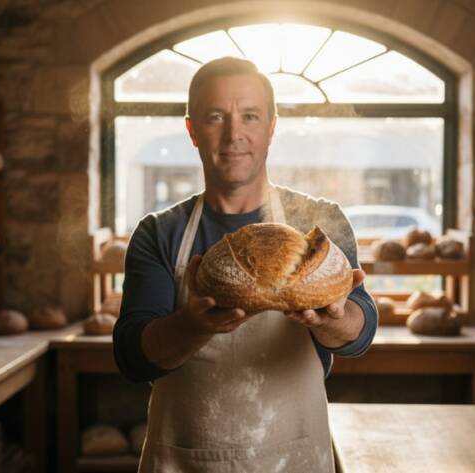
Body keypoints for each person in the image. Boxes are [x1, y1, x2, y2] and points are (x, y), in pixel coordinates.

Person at [114, 56, 378, 473]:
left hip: (294, 457)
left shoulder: (319, 227)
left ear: (271, 127)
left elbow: (359, 334)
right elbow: (132, 356)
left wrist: (332, 317)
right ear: (192, 130)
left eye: (250, 116)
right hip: (187, 460)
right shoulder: (160, 233)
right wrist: (194, 325)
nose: (234, 134)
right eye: (216, 116)